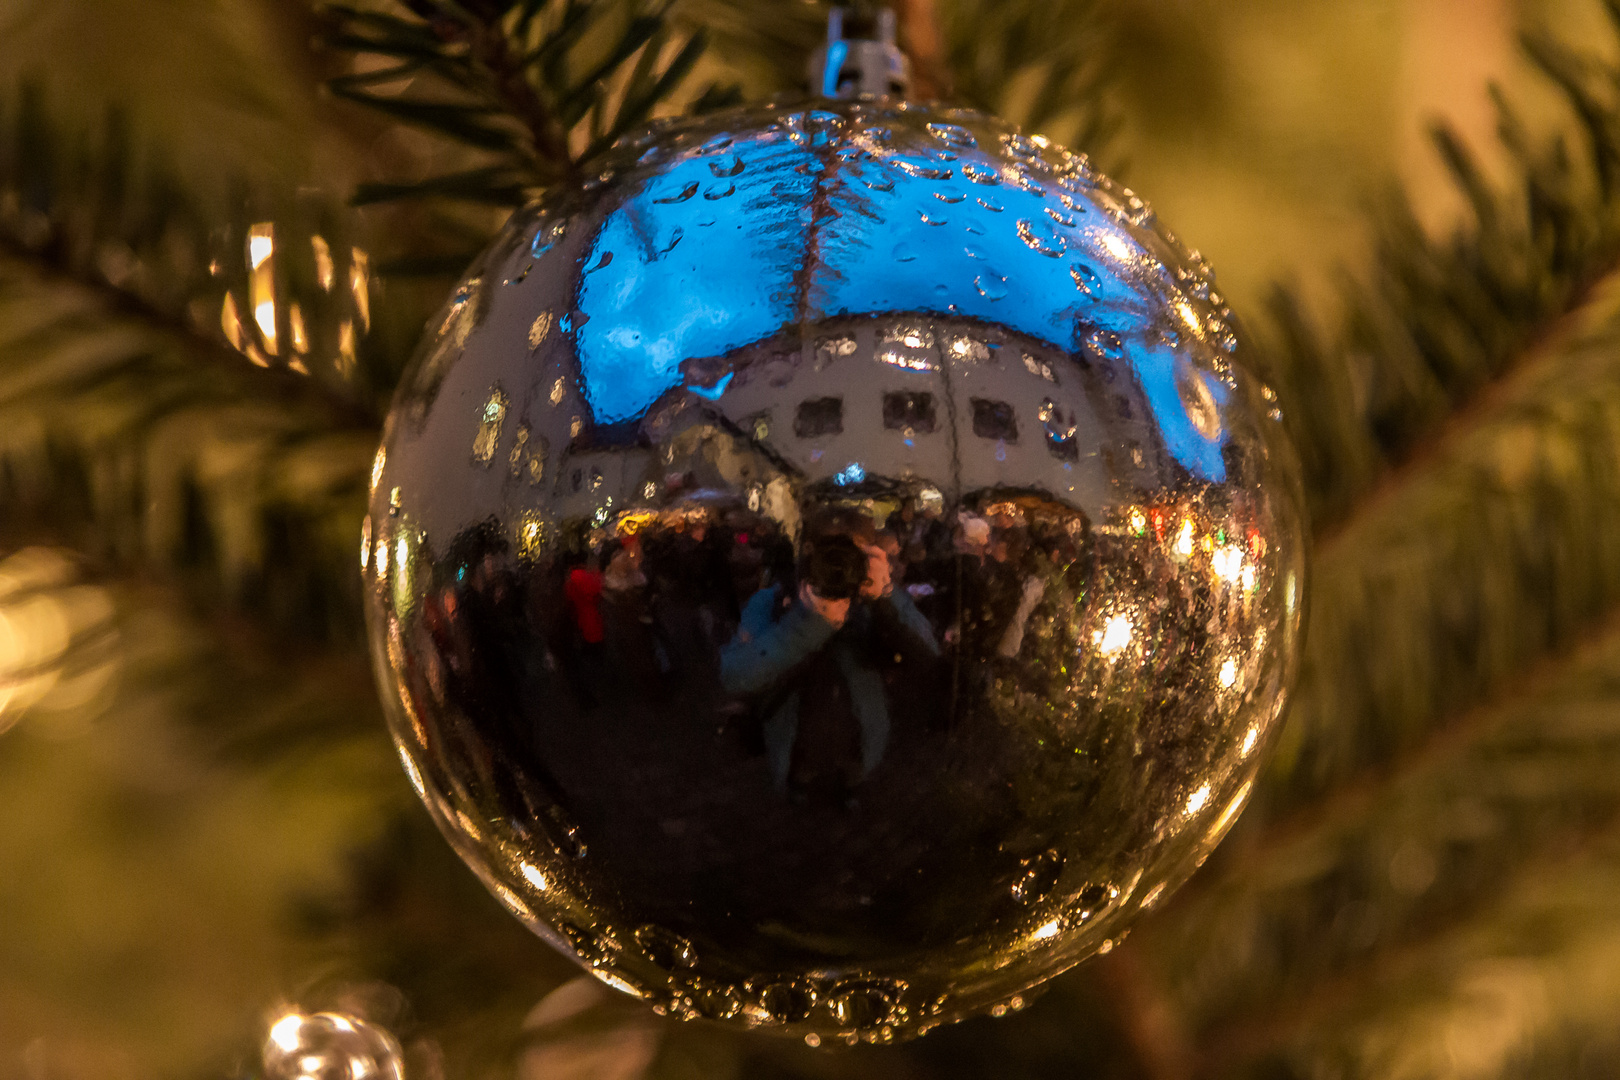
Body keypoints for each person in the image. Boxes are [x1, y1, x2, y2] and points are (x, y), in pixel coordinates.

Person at [721, 513, 940, 805]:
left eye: (852, 554)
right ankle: (801, 787)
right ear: (808, 553)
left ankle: (850, 787)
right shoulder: (774, 600)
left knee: (853, 784)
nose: (840, 564)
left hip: (861, 744)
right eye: (830, 553)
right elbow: (736, 675)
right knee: (801, 793)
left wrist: (885, 598)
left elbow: (928, 659)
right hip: (796, 745)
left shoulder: (878, 597)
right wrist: (808, 622)